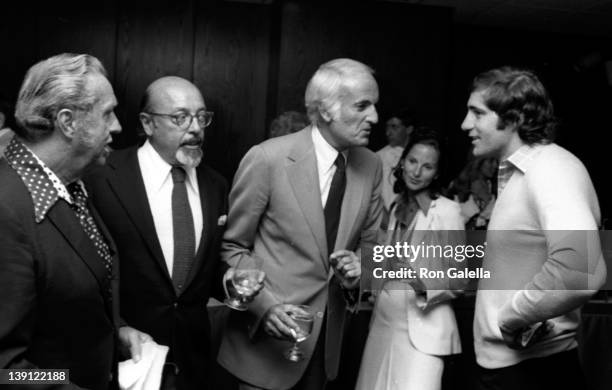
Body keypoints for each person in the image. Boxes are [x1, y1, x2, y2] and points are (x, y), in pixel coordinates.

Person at [217, 58, 383, 390]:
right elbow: (232, 247)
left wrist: (361, 269)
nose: (375, 117)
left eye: (375, 106)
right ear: (326, 111)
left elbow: (376, 252)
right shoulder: (268, 159)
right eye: (363, 106)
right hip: (263, 350)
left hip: (326, 351)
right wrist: (264, 307)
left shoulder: (372, 165)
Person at [0, 53, 149, 390]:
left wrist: (115, 331)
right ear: (68, 122)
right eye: (108, 113)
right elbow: (6, 370)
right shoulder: (6, 209)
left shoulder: (68, 185)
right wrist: (64, 382)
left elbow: (63, 300)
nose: (118, 127)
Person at [461, 66, 607, 389]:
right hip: (511, 369)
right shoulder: (518, 171)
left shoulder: (551, 168)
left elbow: (579, 269)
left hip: (535, 372)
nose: (465, 124)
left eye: (477, 113)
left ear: (512, 120)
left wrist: (512, 317)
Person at [85, 76, 231, 390]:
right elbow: (86, 268)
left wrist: (230, 281)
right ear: (148, 124)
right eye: (180, 118)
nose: (195, 128)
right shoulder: (102, 177)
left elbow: (203, 268)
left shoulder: (215, 185)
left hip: (192, 359)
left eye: (201, 117)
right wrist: (117, 328)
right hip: (126, 355)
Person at [356, 127, 466, 390]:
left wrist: (417, 282)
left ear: (437, 173)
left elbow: (459, 280)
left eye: (427, 167)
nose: (416, 172)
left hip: (424, 332)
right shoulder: (394, 207)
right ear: (402, 162)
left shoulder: (448, 212)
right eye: (413, 161)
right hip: (382, 325)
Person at [376, 109, 415, 212]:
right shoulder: (378, 158)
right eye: (387, 127)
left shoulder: (419, 155)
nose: (388, 133)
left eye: (394, 127)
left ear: (409, 129)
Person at [447, 155, 498, 229]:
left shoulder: (493, 186)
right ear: (478, 161)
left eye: (497, 161)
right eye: (491, 161)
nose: (495, 165)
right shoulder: (458, 185)